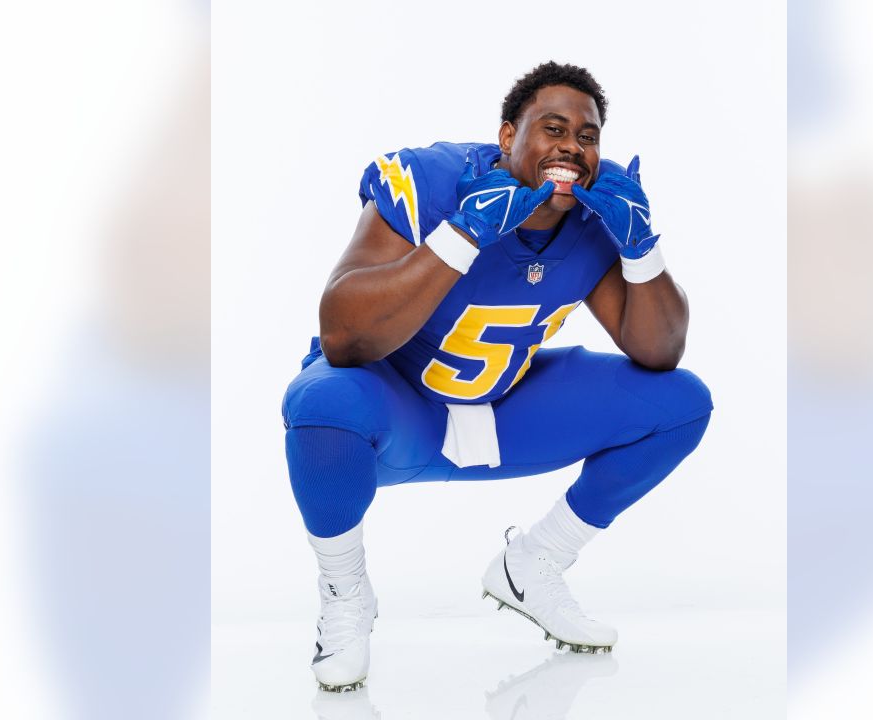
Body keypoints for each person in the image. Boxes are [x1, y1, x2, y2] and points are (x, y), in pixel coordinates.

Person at [282, 61, 713, 693]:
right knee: (319, 403)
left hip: (505, 408)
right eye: (553, 128)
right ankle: (347, 597)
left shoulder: (596, 214)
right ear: (508, 135)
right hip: (397, 412)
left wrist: (642, 249)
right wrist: (463, 234)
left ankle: (536, 562)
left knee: (681, 404)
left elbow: (658, 353)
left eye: (588, 136)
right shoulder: (433, 181)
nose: (572, 146)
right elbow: (344, 335)